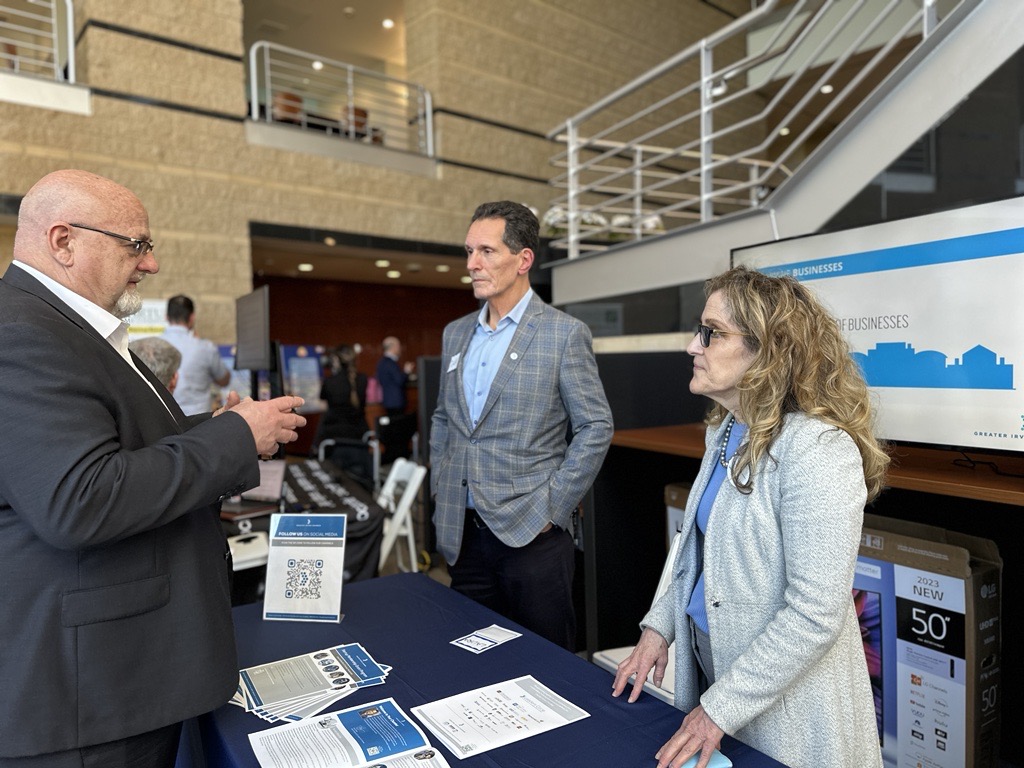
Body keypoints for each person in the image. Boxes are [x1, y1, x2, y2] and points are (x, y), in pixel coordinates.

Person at [0, 169, 306, 767]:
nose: (151, 263)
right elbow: (79, 498)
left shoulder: (66, 329)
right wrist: (235, 439)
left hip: (115, 673)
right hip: (90, 697)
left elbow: (117, 445)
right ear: (63, 241)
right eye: (135, 244)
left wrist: (222, 429)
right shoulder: (24, 336)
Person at [612, 266, 889, 768]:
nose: (693, 346)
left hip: (789, 708)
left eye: (711, 333)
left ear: (768, 349)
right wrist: (658, 628)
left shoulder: (819, 450)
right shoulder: (724, 432)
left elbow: (814, 615)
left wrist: (716, 711)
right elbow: (698, 553)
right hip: (720, 674)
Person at [429, 200, 613, 651]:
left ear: (523, 259)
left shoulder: (562, 334)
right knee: (469, 663)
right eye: (469, 251)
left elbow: (596, 426)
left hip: (531, 536)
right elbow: (442, 419)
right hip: (463, 534)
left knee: (546, 665)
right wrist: (440, 482)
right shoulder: (455, 333)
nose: (472, 264)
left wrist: (554, 507)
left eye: (487, 252)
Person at [161, 293, 232, 416]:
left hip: (165, 421)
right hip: (199, 423)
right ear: (192, 317)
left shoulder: (152, 346)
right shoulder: (205, 348)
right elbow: (224, 380)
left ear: (166, 317)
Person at [315, 344, 371, 482]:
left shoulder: (330, 382)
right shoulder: (362, 379)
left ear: (336, 360)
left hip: (334, 439)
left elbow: (323, 400)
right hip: (359, 437)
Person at [376, 335, 414, 418]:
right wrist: (406, 372)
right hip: (396, 402)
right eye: (399, 346)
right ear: (394, 347)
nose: (400, 348)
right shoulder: (390, 363)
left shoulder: (382, 362)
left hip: (388, 401)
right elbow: (399, 380)